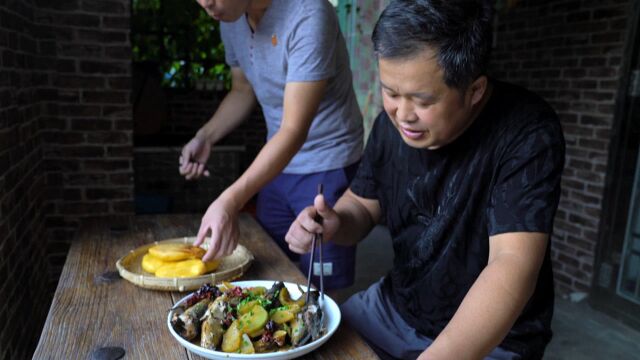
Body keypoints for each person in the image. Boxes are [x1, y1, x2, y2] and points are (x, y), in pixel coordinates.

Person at [285, 0, 565, 359]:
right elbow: (362, 206)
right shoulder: (392, 126)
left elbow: (511, 265)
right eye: (390, 92)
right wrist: (335, 223)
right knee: (308, 346)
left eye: (421, 99)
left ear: (474, 90)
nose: (402, 114)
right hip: (396, 308)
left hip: (495, 338)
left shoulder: (526, 132)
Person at [180, 0, 363, 290]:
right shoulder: (232, 17)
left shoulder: (309, 14)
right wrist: (206, 136)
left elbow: (293, 129)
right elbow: (241, 89)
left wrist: (230, 200)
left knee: (319, 291)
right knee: (272, 271)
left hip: (327, 162)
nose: (205, 3)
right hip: (275, 165)